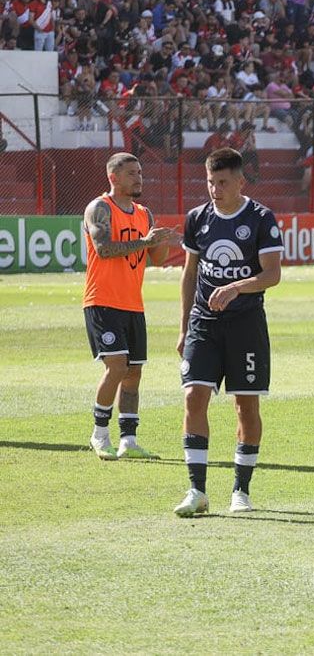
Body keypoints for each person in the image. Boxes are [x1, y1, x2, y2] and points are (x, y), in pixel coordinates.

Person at [174, 148, 285, 517]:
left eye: (222, 182)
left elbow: (273, 274)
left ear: (240, 181)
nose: (215, 189)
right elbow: (189, 274)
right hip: (204, 325)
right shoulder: (197, 218)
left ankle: (241, 489)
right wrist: (184, 325)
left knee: (246, 406)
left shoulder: (260, 218)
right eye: (210, 182)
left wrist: (236, 286)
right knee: (193, 397)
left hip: (246, 326)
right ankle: (197, 490)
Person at [81, 153, 179, 460]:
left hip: (133, 304)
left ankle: (129, 440)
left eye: (140, 172)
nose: (139, 178)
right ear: (113, 177)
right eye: (131, 174)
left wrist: (161, 242)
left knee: (134, 372)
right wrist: (146, 242)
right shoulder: (100, 208)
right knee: (117, 366)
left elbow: (158, 260)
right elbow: (104, 248)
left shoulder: (144, 213)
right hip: (102, 300)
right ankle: (99, 434)